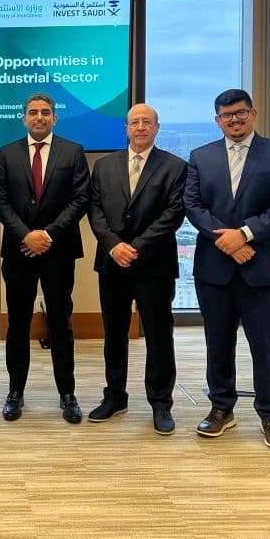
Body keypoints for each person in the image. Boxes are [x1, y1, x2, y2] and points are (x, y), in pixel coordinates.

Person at [184, 88, 270, 450]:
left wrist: (245, 234)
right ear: (217, 120)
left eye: (240, 113)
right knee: (218, 343)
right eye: (227, 115)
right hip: (215, 267)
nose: (234, 120)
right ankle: (221, 408)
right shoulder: (201, 156)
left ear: (253, 113)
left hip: (265, 267)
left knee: (266, 346)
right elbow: (193, 205)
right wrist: (227, 240)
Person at [87, 103, 186, 434]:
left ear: (157, 128)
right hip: (112, 262)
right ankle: (115, 396)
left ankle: (160, 402)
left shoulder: (175, 167)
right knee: (114, 334)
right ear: (126, 129)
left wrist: (137, 248)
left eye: (147, 122)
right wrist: (114, 245)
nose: (141, 127)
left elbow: (173, 214)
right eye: (135, 122)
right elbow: (95, 210)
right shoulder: (104, 166)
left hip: (154, 265)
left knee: (159, 335)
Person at [0, 92, 89, 423]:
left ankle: (67, 393)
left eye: (45, 112)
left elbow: (80, 199)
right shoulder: (6, 154)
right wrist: (26, 235)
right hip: (19, 250)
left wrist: (47, 235)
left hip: (58, 250)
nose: (39, 117)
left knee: (61, 323)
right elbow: (1, 201)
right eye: (33, 112)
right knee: (18, 324)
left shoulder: (73, 151)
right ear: (24, 118)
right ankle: (15, 392)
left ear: (54, 118)